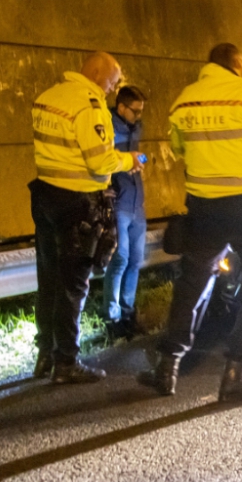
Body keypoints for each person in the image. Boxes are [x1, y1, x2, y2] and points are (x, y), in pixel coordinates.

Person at [138, 42, 242, 400]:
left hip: (204, 206)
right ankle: (237, 371)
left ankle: (166, 367)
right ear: (238, 64)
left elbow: (178, 149)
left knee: (193, 282)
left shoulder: (185, 99)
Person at [29, 52, 144, 383]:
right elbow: (98, 162)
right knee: (73, 284)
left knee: (49, 279)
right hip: (77, 202)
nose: (114, 86)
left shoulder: (48, 97)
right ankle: (67, 362)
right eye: (113, 79)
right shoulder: (88, 105)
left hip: (45, 196)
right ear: (96, 73)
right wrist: (128, 160)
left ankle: (46, 354)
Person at [103, 85, 147, 340]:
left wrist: (139, 161)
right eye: (135, 111)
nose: (139, 116)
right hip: (118, 202)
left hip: (136, 201)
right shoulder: (106, 127)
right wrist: (124, 165)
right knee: (119, 258)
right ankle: (113, 317)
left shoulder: (134, 127)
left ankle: (129, 314)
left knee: (135, 260)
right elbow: (104, 162)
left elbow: (134, 157)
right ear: (121, 107)